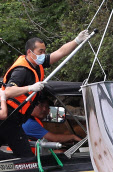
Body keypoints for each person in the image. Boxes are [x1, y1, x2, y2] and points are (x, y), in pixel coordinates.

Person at [0, 30, 89, 158]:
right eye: (40, 51)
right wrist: (30, 87)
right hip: (9, 119)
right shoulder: (21, 70)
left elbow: (60, 53)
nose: (43, 54)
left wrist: (77, 41)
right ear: (30, 52)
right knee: (26, 155)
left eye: (44, 51)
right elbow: (8, 91)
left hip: (15, 120)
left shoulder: (38, 63)